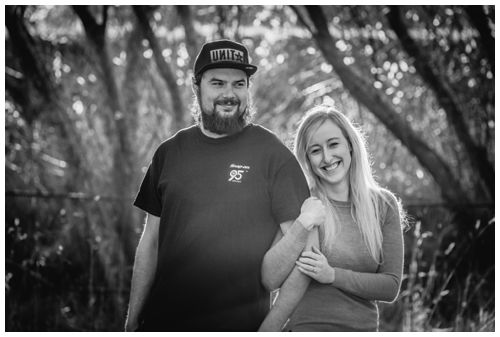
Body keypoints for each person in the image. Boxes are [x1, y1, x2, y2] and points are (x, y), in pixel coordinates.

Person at [124, 39, 321, 332]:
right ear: (197, 86)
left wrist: (270, 328)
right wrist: (130, 322)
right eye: (217, 83)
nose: (229, 94)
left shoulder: (272, 155)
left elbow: (307, 252)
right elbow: (150, 242)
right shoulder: (169, 153)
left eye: (239, 84)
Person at [258, 104, 405, 332]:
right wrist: (302, 224)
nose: (327, 157)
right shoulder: (303, 205)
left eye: (333, 144)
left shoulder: (384, 206)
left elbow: (390, 286)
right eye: (315, 150)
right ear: (307, 159)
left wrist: (332, 275)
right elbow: (270, 278)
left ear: (350, 145)